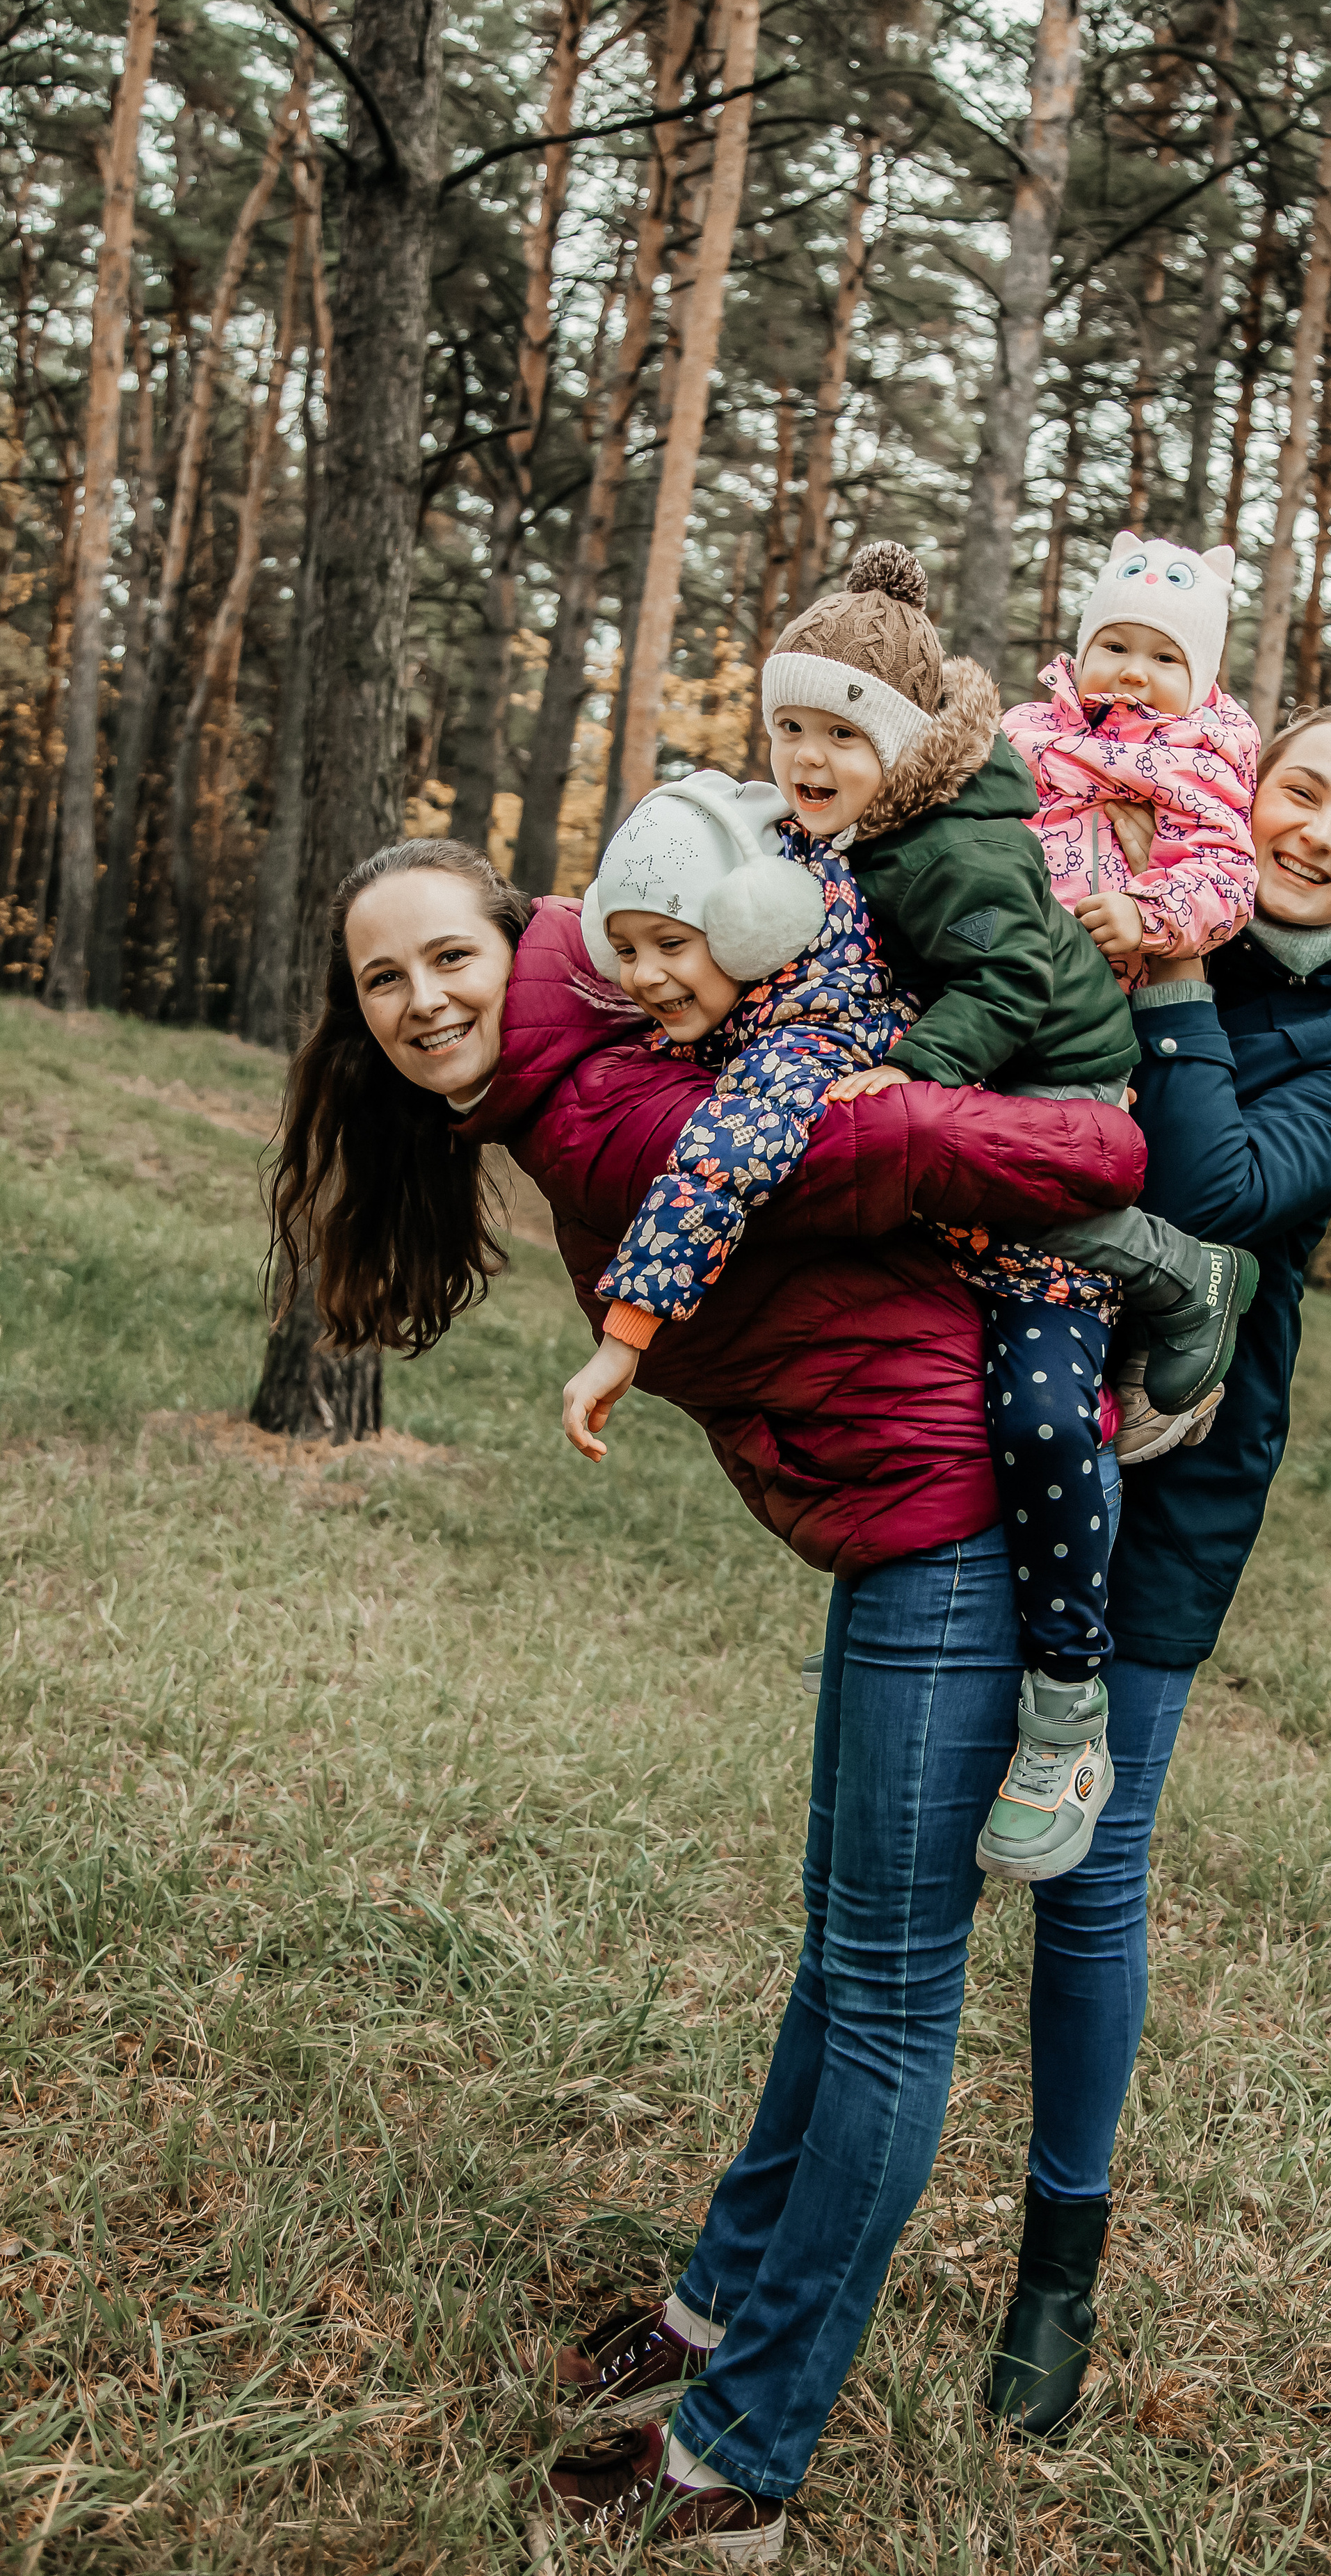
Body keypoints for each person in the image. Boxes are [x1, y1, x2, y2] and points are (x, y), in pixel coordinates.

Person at [266, 830, 1147, 2563]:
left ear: (511, 931)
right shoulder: (563, 1064)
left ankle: (742, 2450)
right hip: (893, 1506)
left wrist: (1109, 1144)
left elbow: (890, 1135)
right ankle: (711, 2309)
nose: (423, 998)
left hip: (949, 1505)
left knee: (886, 1993)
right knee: (847, 1950)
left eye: (446, 955)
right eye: (384, 980)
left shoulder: (601, 1101)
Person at [983, 699, 1331, 2438]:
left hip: (1184, 1468)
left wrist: (1164, 967)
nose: (1311, 827)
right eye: (1293, 788)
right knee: (920, 1833)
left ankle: (1055, 2273)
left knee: (1089, 1860)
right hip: (1021, 1388)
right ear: (1243, 784)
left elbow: (1217, 1181)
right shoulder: (1119, 864)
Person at [742, 540, 1255, 1883]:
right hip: (1004, 1085)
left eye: (835, 729)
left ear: (901, 743)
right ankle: (904, 1629)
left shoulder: (953, 845)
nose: (806, 754)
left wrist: (915, 1071)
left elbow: (1018, 976)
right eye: (786, 727)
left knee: (1038, 1406)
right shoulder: (905, 815)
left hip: (1062, 1091)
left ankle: (1068, 1706)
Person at [1003, 529, 1259, 994]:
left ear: (1199, 683)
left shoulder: (1198, 764)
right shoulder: (1028, 729)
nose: (1134, 671)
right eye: (1115, 647)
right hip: (989, 948)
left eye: (1165, 657)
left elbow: (1226, 878)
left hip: (1096, 995)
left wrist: (1147, 915)